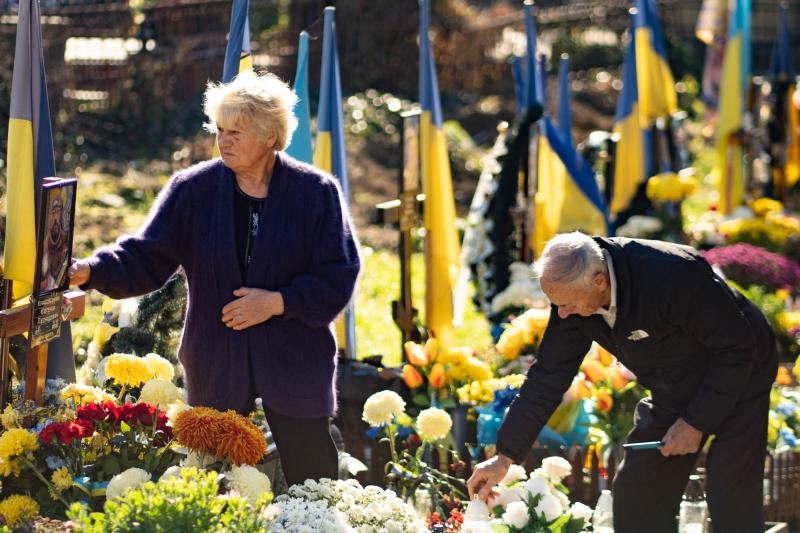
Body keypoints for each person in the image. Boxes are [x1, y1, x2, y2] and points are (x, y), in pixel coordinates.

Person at [69, 70, 361, 486]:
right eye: (220, 130)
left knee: (313, 487)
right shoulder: (193, 190)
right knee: (215, 486)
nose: (224, 141)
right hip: (217, 363)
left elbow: (339, 272)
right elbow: (146, 255)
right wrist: (92, 270)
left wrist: (278, 302)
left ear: (270, 136)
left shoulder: (316, 193)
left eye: (237, 132)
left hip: (296, 365)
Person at [467, 232, 777, 533]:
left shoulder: (671, 273)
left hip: (741, 369)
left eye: (567, 304)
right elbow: (548, 374)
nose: (562, 314)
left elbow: (736, 348)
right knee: (639, 489)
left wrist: (695, 422)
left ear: (599, 281)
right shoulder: (573, 294)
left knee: (730, 491)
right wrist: (505, 455)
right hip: (674, 380)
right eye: (555, 304)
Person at [40, 190, 69, 292]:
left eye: (59, 210)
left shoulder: (64, 237)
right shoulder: (43, 242)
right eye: (53, 211)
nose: (56, 216)